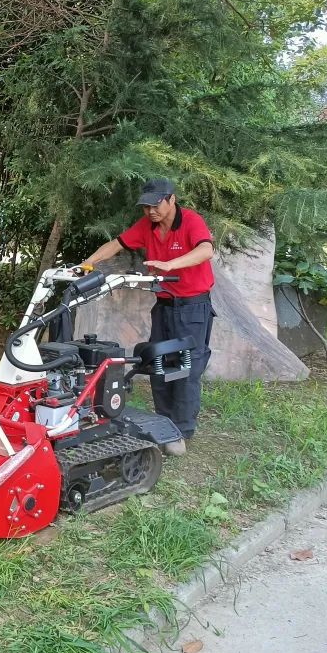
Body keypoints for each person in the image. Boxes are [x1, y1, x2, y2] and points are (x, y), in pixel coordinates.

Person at [80, 179, 215, 456]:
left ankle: (182, 431)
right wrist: (88, 263)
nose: (150, 211)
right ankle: (164, 425)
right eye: (146, 206)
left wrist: (169, 264)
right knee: (159, 364)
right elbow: (115, 244)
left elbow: (206, 250)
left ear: (171, 200)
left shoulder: (190, 221)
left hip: (192, 308)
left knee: (188, 369)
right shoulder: (147, 226)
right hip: (164, 305)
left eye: (156, 204)